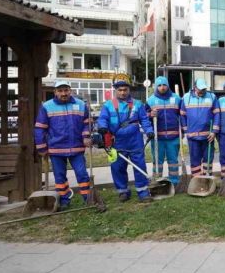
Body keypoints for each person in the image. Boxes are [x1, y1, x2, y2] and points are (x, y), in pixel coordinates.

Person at [34, 80, 91, 210]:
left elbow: (87, 123)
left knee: (82, 173)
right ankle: (64, 200)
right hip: (56, 148)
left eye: (66, 90)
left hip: (77, 147)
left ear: (70, 90)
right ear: (55, 92)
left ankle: (88, 198)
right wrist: (41, 147)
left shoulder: (81, 104)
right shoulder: (47, 106)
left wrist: (86, 136)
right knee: (60, 177)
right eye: (60, 91)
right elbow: (40, 128)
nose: (63, 93)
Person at [98, 78, 154, 202]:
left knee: (140, 166)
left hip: (135, 141)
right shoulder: (108, 105)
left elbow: (144, 120)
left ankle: (143, 192)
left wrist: (149, 131)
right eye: (120, 90)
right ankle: (123, 191)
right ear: (115, 90)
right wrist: (102, 127)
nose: (123, 92)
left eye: (125, 90)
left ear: (129, 90)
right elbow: (102, 119)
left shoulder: (138, 104)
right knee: (118, 167)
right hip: (116, 141)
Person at [145, 76, 182, 185]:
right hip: (157, 138)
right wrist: (150, 114)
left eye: (164, 85)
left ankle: (174, 182)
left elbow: (183, 115)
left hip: (173, 137)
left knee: (173, 161)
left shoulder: (177, 99)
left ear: (168, 85)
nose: (162, 87)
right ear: (156, 86)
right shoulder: (150, 100)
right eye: (159, 85)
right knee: (157, 161)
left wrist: (183, 132)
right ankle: (157, 181)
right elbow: (143, 117)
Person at [180, 78, 216, 177]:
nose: (203, 91)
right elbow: (182, 115)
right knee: (194, 159)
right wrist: (186, 130)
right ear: (195, 87)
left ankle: (207, 178)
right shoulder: (186, 98)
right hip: (192, 136)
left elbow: (217, 114)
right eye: (200, 89)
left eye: (204, 89)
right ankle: (196, 179)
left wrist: (214, 131)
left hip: (208, 136)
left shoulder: (212, 97)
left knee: (208, 158)